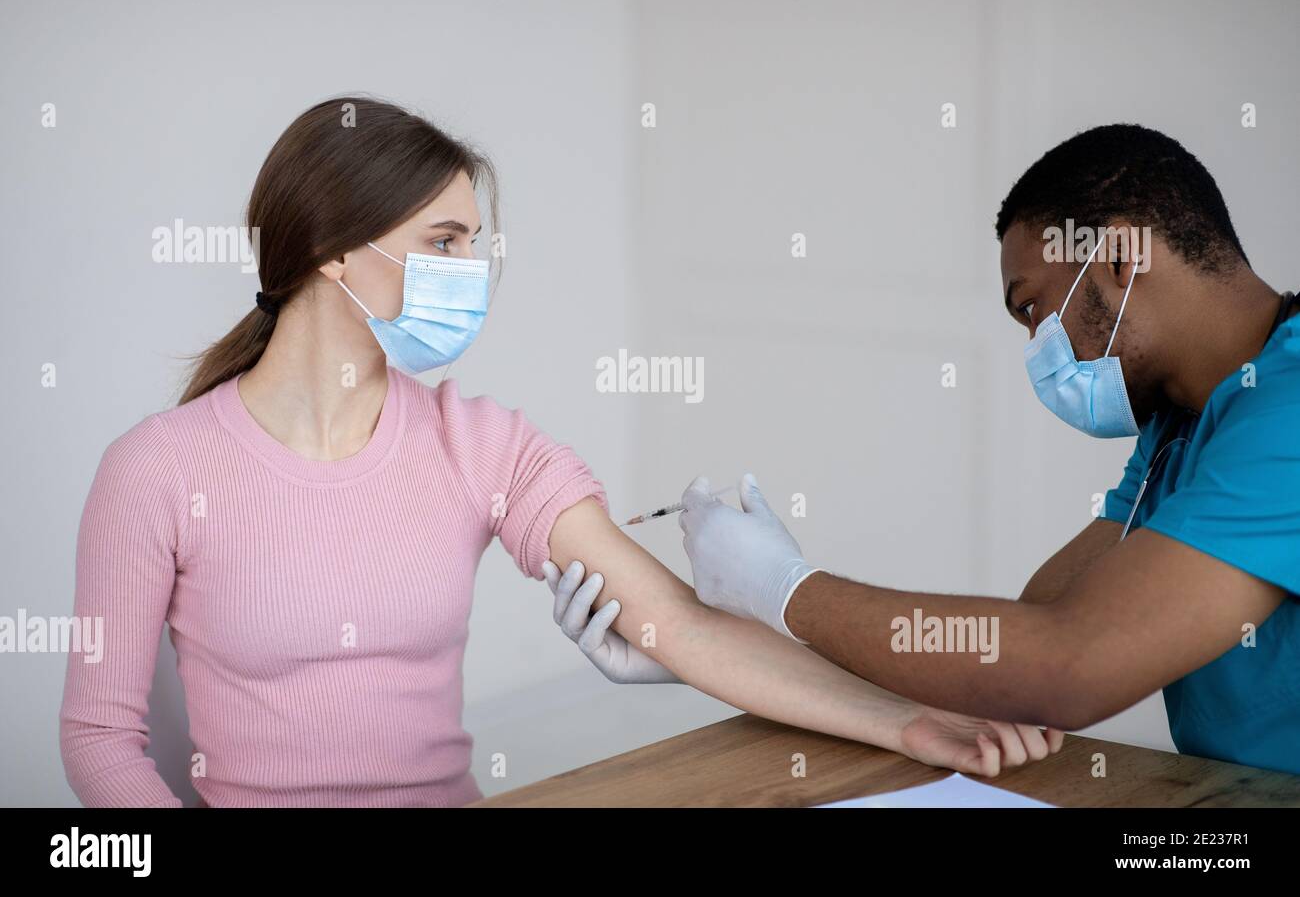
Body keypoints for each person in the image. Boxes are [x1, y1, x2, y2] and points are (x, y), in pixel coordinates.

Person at [59, 97, 1060, 808]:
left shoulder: (480, 442)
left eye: (476, 245)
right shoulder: (156, 470)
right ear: (331, 248)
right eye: (445, 241)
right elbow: (101, 740)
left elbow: (677, 624)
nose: (472, 272)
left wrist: (911, 722)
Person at [663, 124, 1300, 774]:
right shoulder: (1185, 422)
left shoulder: (1289, 411)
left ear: (1118, 257)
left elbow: (1067, 667)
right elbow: (1037, 624)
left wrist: (785, 590)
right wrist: (729, 639)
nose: (1037, 348)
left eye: (1031, 308)